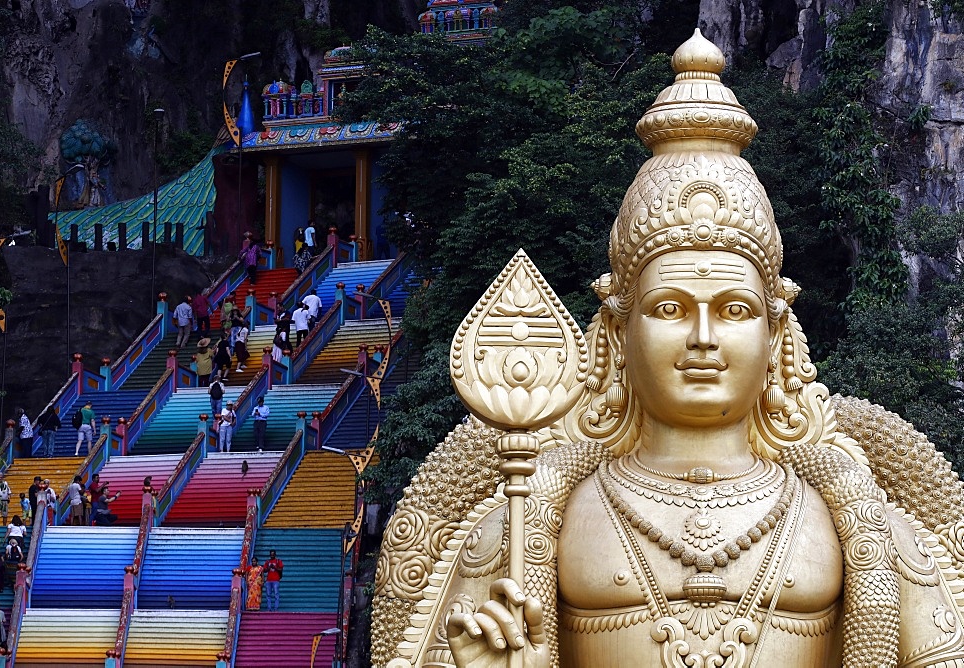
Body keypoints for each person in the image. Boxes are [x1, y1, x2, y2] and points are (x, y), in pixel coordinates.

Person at [372, 33, 964, 667]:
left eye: (734, 310)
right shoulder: (525, 523)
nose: (703, 337)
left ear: (777, 330)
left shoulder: (861, 521)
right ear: (617, 330)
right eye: (670, 309)